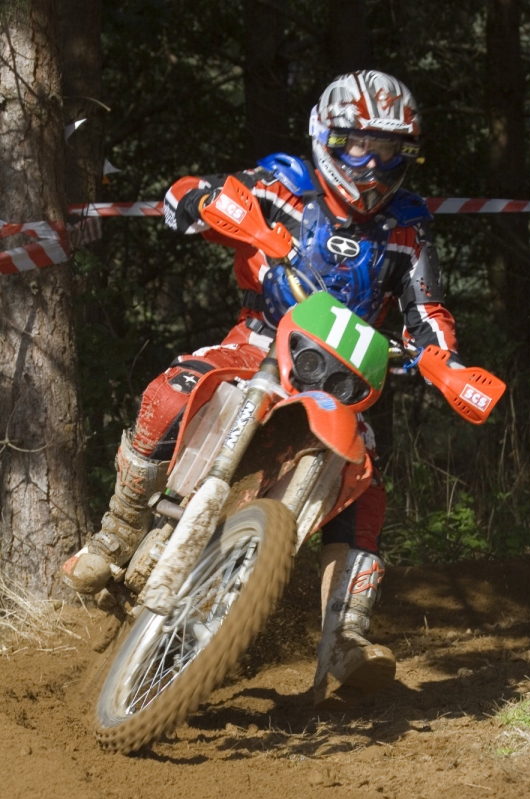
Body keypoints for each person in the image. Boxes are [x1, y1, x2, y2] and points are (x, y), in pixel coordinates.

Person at [62, 70, 461, 708]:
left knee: (365, 486)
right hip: (259, 340)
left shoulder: (407, 224)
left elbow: (428, 306)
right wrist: (206, 202)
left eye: (389, 151)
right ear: (326, 137)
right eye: (358, 144)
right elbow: (185, 197)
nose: (372, 163)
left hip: (344, 371)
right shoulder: (284, 184)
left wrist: (444, 359)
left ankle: (347, 635)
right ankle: (118, 531)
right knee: (172, 391)